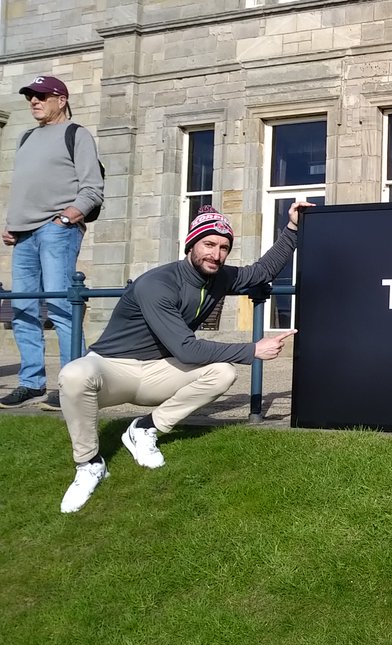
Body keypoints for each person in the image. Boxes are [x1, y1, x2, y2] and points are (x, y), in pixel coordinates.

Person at [56, 201, 312, 513]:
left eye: (223, 247)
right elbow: (187, 349)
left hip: (159, 370)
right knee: (74, 374)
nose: (216, 254)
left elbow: (262, 271)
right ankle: (89, 464)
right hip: (113, 368)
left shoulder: (219, 277)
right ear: (191, 244)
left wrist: (293, 227)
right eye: (208, 244)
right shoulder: (157, 283)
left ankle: (144, 429)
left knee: (223, 372)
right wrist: (253, 350)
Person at [2, 75, 104, 411]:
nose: (34, 101)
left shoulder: (77, 134)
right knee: (23, 310)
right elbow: (26, 187)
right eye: (30, 96)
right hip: (23, 235)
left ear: (61, 100)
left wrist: (67, 218)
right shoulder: (26, 137)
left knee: (62, 306)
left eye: (42, 96)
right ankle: (31, 383)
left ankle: (73, 384)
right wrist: (12, 223)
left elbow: (92, 187)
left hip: (56, 230)